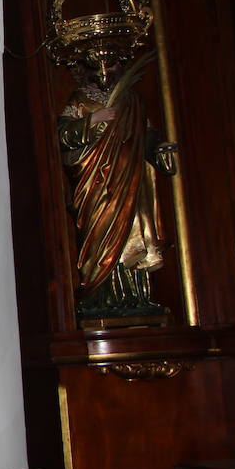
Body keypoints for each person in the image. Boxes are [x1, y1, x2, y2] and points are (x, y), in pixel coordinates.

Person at [57, 52, 175, 318]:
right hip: (96, 184)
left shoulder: (131, 101)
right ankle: (99, 295)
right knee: (99, 237)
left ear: (120, 66)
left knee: (135, 236)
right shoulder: (80, 99)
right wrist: (92, 121)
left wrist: (159, 151)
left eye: (110, 65)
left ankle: (136, 296)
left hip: (130, 183)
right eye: (97, 67)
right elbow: (62, 135)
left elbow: (146, 138)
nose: (104, 72)